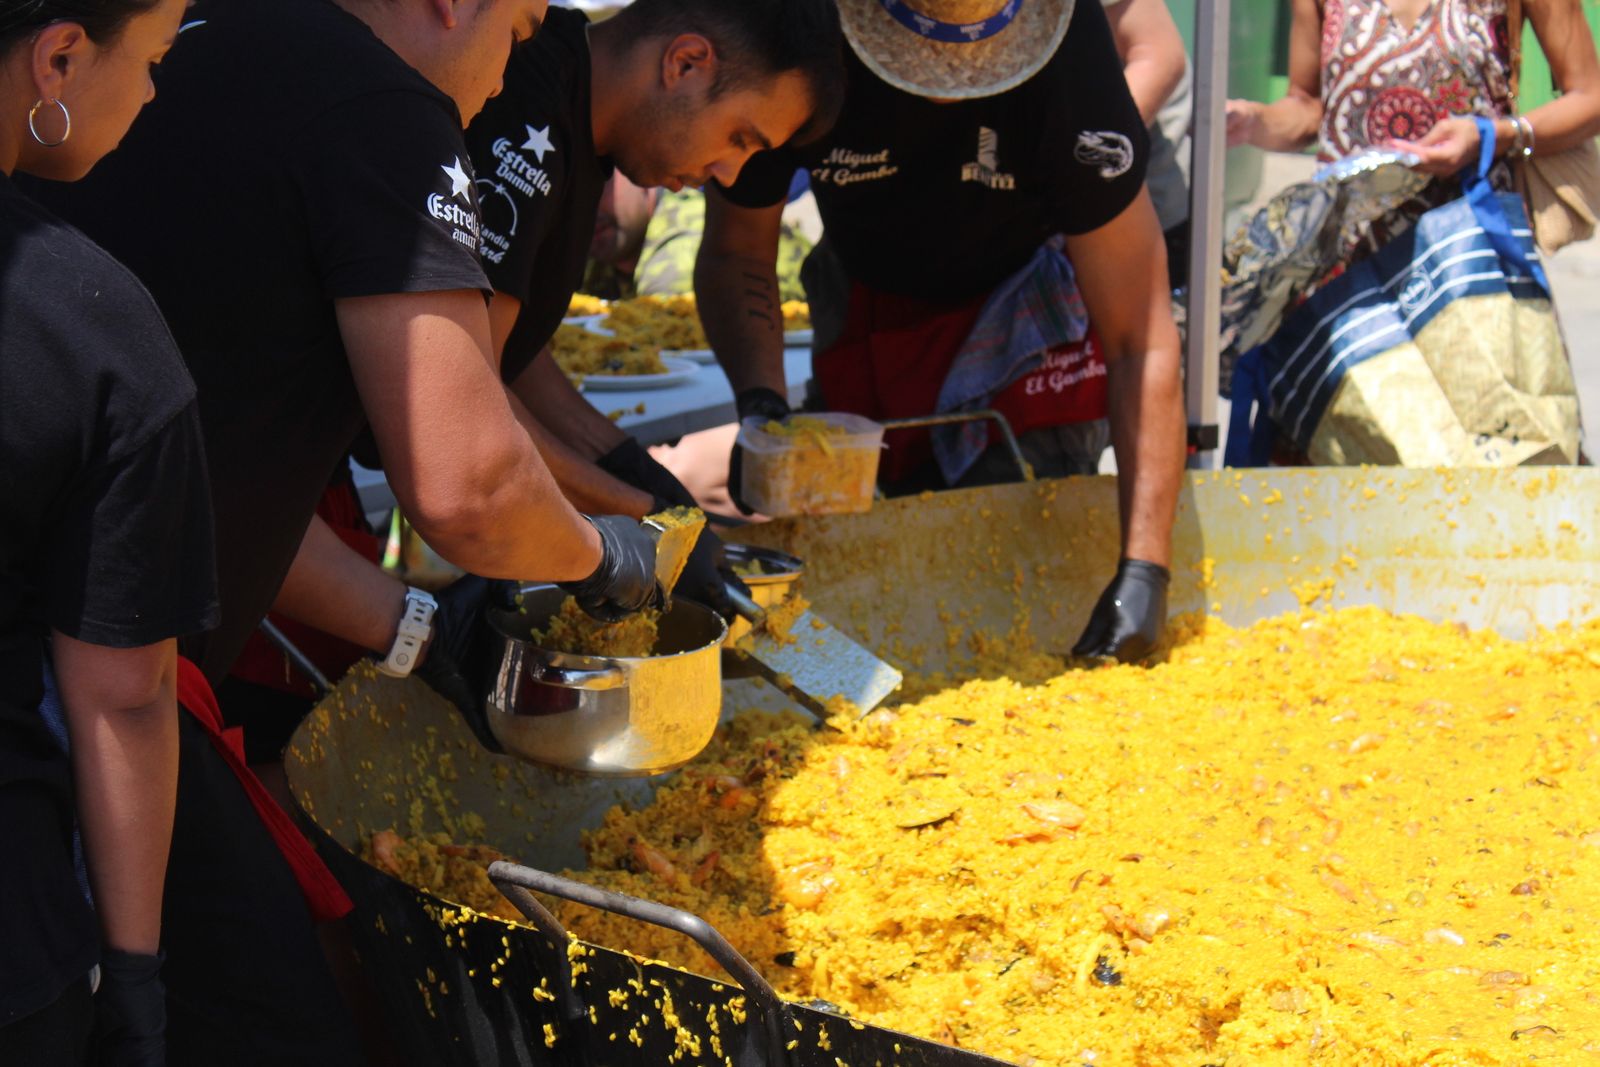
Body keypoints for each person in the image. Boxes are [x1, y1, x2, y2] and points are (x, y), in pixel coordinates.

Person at [31, 0, 662, 1060]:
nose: (510, 79)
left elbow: (211, 488)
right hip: (79, 678)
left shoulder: (221, 54)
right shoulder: (382, 102)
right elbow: (464, 483)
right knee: (277, 1021)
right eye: (512, 34)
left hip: (85, 643)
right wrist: (606, 556)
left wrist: (425, 626)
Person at [697, 0, 1187, 663]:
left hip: (1021, 319)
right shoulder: (801, 32)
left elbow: (1142, 335)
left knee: (1014, 577)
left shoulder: (1072, 59)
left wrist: (1145, 568)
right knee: (855, 580)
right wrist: (761, 403)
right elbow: (739, 250)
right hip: (864, 303)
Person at [463, 0, 845, 617]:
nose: (730, 172)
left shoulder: (580, 115)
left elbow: (507, 353)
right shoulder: (525, 106)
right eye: (739, 137)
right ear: (686, 63)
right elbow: (468, 397)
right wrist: (640, 513)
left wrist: (627, 465)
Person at [0, 0, 210, 1060]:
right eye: (157, 56)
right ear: (61, 57)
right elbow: (126, 696)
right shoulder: (91, 324)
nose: (156, 91)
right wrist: (136, 983)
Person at [1224, 0, 1600, 201]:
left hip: (1471, 245)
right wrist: (1254, 121)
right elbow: (1309, 107)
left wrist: (1495, 136)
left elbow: (1591, 97)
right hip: (1348, 256)